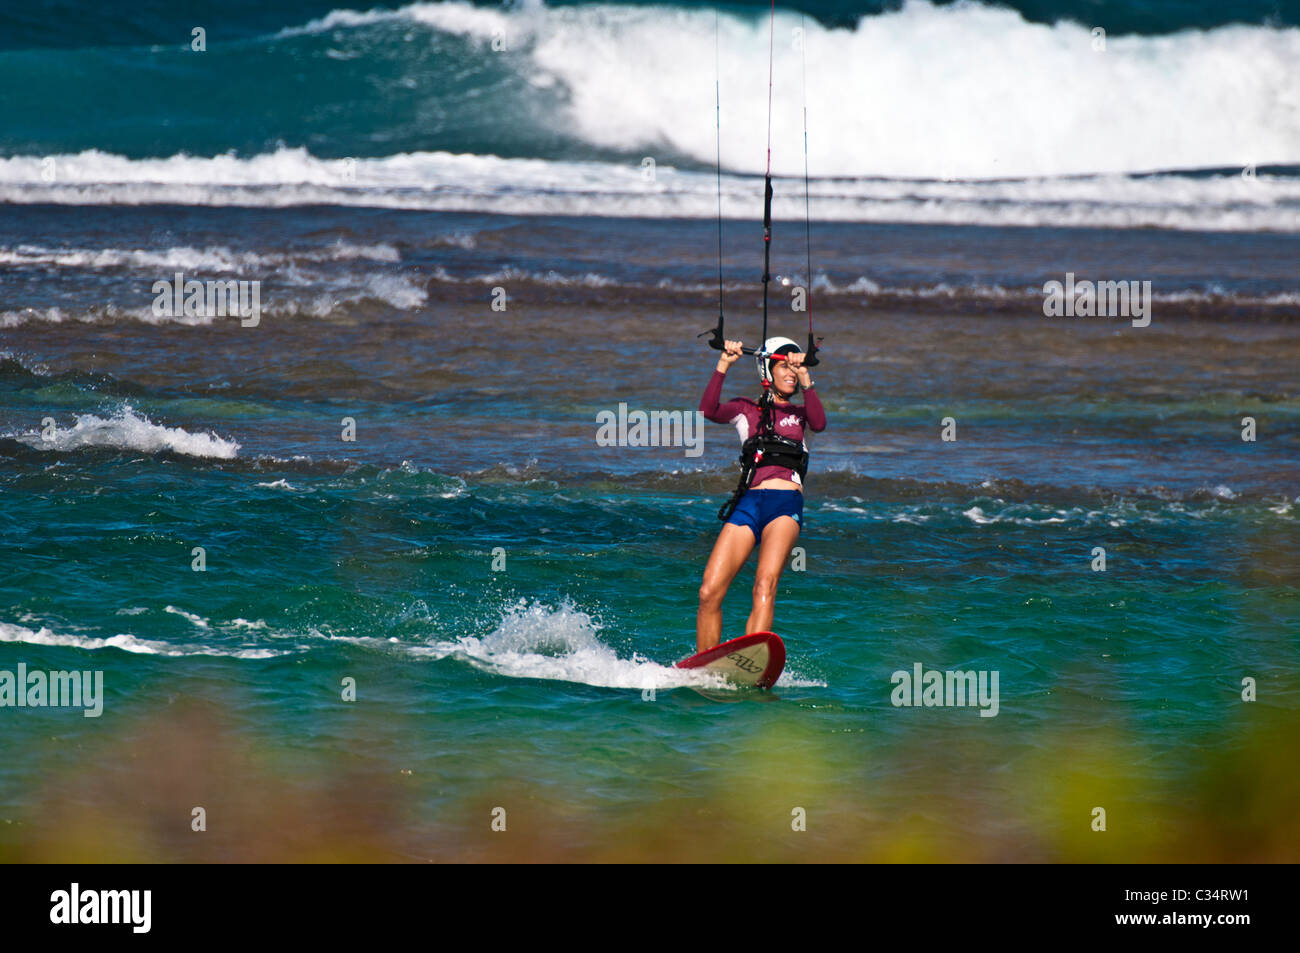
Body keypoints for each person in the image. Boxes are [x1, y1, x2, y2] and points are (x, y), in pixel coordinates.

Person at [696, 336, 826, 652]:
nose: (792, 372)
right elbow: (707, 409)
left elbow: (820, 423)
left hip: (784, 505)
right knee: (709, 591)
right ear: (767, 369)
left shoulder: (803, 414)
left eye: (795, 366)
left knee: (764, 585)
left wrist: (807, 377)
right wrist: (724, 363)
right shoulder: (746, 410)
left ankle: (750, 660)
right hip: (749, 503)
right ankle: (704, 665)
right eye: (785, 365)